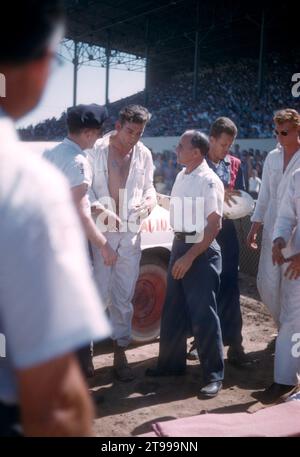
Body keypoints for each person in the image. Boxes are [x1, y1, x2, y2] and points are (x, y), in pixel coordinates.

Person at [0, 1, 111, 437]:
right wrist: (101, 243)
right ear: (42, 63)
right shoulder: (26, 181)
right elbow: (56, 405)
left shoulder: (48, 155)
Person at [146, 130, 224, 398]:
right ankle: (170, 365)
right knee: (173, 309)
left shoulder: (208, 180)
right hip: (180, 244)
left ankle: (214, 375)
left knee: (204, 314)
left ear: (196, 153)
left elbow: (214, 226)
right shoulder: (182, 174)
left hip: (199, 250)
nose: (176, 149)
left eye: (181, 146)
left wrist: (190, 256)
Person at [43, 104, 117, 377]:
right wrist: (104, 245)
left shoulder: (52, 152)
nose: (99, 138)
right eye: (98, 133)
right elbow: (78, 213)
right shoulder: (78, 161)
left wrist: (99, 208)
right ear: (87, 133)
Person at [88, 105, 157, 382]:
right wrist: (98, 209)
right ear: (118, 126)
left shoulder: (144, 154)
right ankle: (88, 350)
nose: (134, 137)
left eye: (139, 133)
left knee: (124, 295)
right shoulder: (96, 150)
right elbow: (86, 188)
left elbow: (150, 187)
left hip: (130, 232)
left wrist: (150, 201)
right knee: (97, 293)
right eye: (130, 131)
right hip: (102, 232)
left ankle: (120, 350)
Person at [189, 117, 250, 367]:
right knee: (204, 288)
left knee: (230, 287)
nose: (226, 150)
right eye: (223, 144)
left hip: (226, 234)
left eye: (230, 145)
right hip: (202, 232)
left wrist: (235, 201)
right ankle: (199, 341)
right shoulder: (196, 162)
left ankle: (235, 343)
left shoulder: (235, 164)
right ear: (211, 139)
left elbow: (243, 199)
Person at [247, 109, 300, 329]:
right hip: (271, 228)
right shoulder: (272, 157)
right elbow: (265, 195)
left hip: (296, 232)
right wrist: (254, 226)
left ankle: (287, 333)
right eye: (276, 132)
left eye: (285, 132)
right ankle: (282, 325)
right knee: (266, 284)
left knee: (292, 286)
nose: (279, 137)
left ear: (298, 130)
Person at [259, 152, 300, 403]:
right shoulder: (297, 177)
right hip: (295, 262)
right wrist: (279, 239)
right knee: (292, 318)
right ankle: (286, 381)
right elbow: (286, 215)